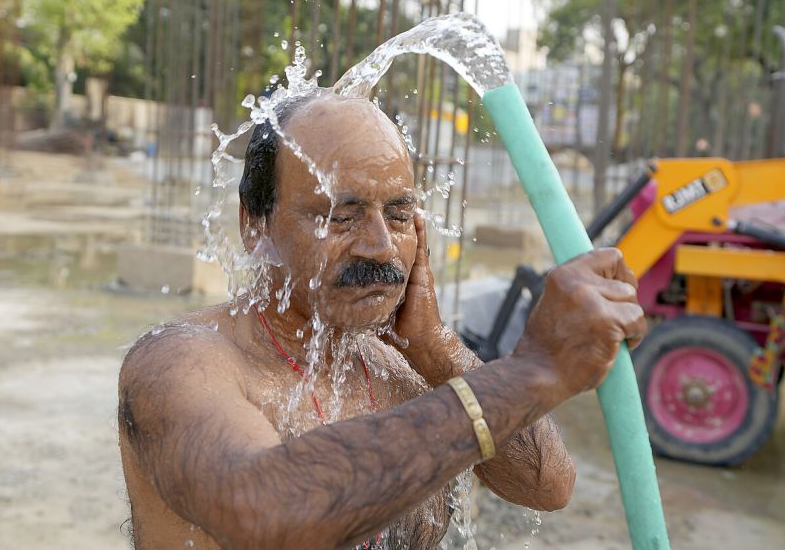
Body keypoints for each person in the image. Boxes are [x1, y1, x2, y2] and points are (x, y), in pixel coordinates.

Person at [117, 90, 647, 550]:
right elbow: (265, 513)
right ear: (254, 226)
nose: (380, 247)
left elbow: (547, 486)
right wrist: (530, 373)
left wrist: (436, 347)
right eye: (339, 217)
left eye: (398, 216)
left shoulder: (405, 369)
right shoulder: (182, 364)